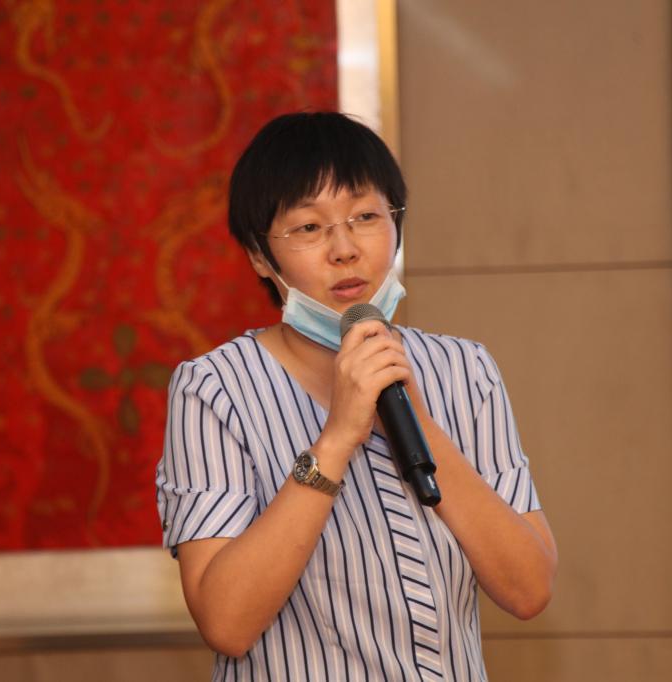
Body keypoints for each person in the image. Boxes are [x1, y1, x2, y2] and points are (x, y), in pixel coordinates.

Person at [155, 112, 557, 680]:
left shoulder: (466, 371)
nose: (344, 249)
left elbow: (529, 589)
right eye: (308, 227)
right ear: (259, 256)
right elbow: (226, 623)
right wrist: (338, 438)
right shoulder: (214, 389)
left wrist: (418, 421)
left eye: (366, 217)